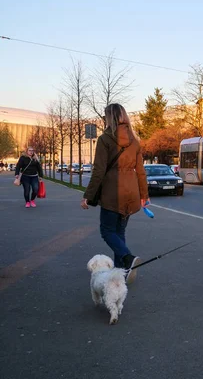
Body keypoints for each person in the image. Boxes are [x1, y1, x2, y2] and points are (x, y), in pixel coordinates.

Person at [81, 104, 149, 284]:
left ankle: (127, 258)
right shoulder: (134, 140)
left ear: (109, 118)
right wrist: (144, 195)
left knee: (107, 231)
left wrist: (87, 194)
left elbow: (99, 170)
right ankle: (121, 274)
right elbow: (141, 171)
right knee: (119, 233)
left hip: (113, 193)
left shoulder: (105, 139)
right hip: (131, 193)